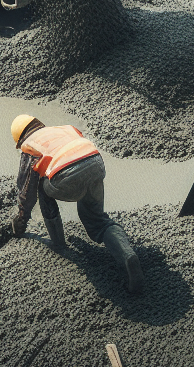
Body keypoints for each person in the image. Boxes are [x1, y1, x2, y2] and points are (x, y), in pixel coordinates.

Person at [9, 114, 144, 294]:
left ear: (20, 139)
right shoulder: (65, 129)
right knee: (96, 219)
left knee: (40, 183)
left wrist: (20, 221)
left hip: (66, 173)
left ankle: (58, 243)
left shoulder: (29, 145)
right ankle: (128, 255)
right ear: (39, 124)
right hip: (95, 164)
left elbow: (27, 192)